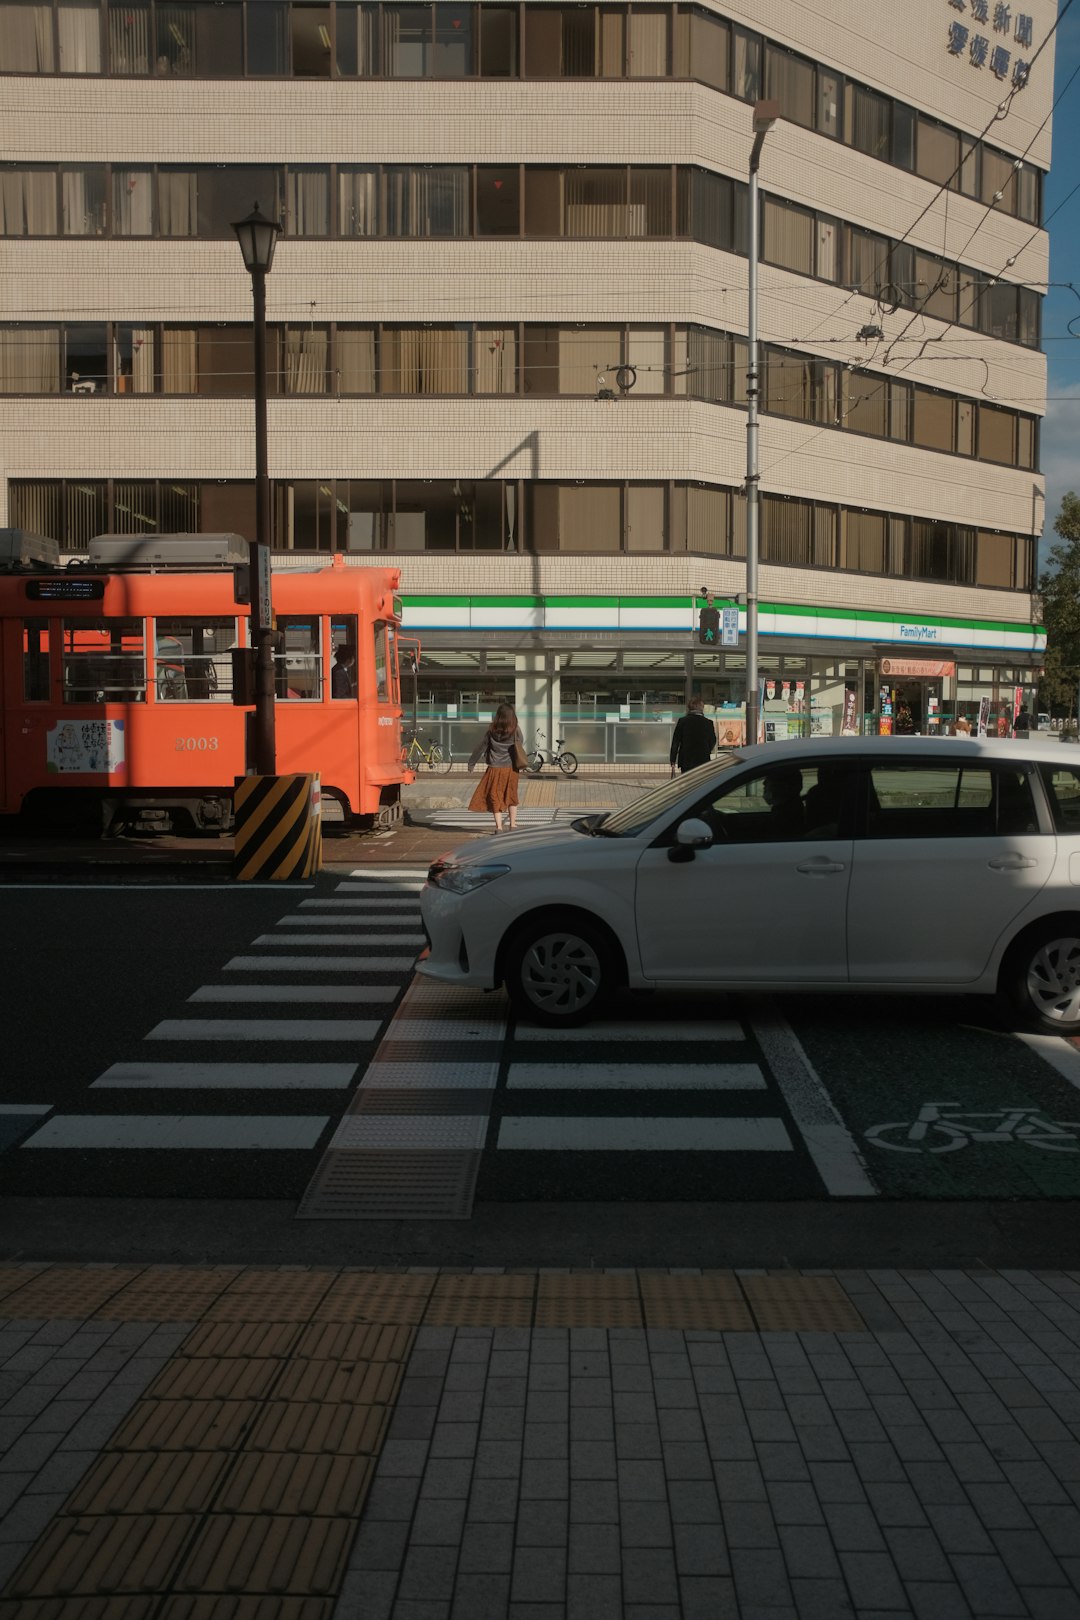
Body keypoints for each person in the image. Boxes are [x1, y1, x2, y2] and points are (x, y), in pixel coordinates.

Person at [468, 702, 525, 833]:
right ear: (512, 716)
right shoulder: (515, 729)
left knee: (495, 796)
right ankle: (513, 824)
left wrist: (472, 763)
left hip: (494, 768)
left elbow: (480, 747)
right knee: (511, 794)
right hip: (511, 768)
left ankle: (499, 827)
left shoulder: (491, 731)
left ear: (498, 716)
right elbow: (521, 741)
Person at [670, 697, 717, 775]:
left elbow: (676, 741)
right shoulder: (708, 723)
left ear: (689, 707)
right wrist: (707, 750)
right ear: (702, 708)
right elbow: (712, 741)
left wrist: (673, 760)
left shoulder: (683, 721)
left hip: (686, 760)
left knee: (688, 783)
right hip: (703, 759)